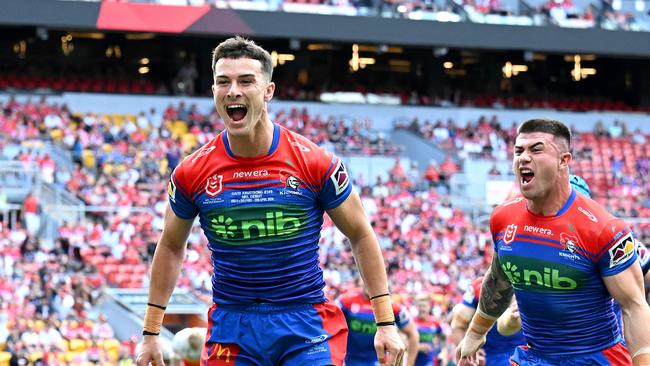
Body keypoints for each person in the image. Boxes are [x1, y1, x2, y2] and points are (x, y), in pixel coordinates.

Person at [136, 36, 405, 366]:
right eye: (223, 82)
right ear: (214, 92)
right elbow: (170, 246)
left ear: (268, 91)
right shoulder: (191, 172)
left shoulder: (316, 162)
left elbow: (361, 234)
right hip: (232, 328)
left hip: (305, 324)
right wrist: (151, 333)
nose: (233, 90)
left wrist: (386, 322)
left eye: (246, 81)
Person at [456, 119, 650, 366]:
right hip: (534, 357)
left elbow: (634, 306)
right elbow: (498, 280)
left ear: (564, 161)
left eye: (536, 149)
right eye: (518, 151)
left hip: (596, 358)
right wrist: (475, 333)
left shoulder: (605, 229)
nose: (523, 158)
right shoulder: (503, 218)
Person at [451, 276, 525, 366]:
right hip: (487, 357)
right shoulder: (480, 287)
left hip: (522, 355)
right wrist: (469, 351)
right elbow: (457, 326)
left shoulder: (533, 286)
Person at [337, 287, 419, 366]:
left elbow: (413, 334)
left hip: (378, 361)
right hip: (349, 360)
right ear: (360, 280)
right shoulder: (345, 301)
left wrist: (409, 364)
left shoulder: (392, 307)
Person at [412, 294, 445, 366]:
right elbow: (403, 342)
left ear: (429, 307)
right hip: (414, 361)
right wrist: (418, 347)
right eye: (420, 306)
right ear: (416, 307)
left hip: (431, 361)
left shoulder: (435, 322)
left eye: (424, 306)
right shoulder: (411, 322)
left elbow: (444, 338)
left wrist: (443, 352)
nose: (422, 309)